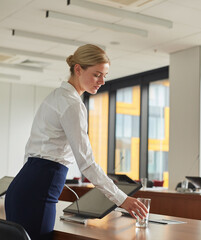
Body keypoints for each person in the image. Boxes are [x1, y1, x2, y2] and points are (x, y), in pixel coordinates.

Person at [5, 44, 148, 240]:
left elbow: (31, 151)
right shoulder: (72, 104)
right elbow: (86, 163)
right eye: (97, 74)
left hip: (23, 186)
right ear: (78, 69)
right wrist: (122, 200)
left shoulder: (55, 96)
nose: (102, 81)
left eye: (105, 75)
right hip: (39, 192)